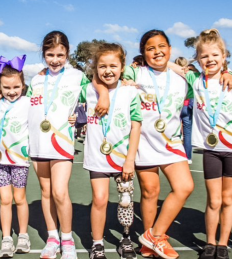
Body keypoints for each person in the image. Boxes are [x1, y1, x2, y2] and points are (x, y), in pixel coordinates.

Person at [26, 31, 108, 259]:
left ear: (67, 54)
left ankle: (67, 239)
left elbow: (94, 86)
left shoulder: (76, 76)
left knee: (60, 192)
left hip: (61, 142)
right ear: (43, 54)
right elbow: (29, 107)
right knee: (46, 192)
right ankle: (52, 238)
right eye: (50, 54)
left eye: (60, 55)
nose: (55, 59)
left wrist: (102, 95)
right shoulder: (35, 79)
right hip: (37, 143)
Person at [171, 29, 232, 259]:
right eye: (204, 56)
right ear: (197, 59)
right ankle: (210, 243)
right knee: (213, 200)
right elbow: (171, 66)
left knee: (228, 199)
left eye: (215, 55)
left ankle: (223, 244)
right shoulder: (196, 80)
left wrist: (230, 73)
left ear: (224, 56)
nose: (210, 60)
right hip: (211, 150)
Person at [123, 30, 194, 259]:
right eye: (150, 48)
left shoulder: (183, 79)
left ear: (170, 49)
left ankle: (155, 235)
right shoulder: (135, 72)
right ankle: (148, 243)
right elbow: (116, 74)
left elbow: (208, 77)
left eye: (162, 46)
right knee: (150, 192)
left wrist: (176, 67)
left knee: (184, 187)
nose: (157, 52)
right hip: (143, 141)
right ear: (143, 53)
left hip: (171, 143)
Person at [80, 43, 142, 259]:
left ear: (122, 66)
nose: (108, 71)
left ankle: (125, 238)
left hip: (123, 158)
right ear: (95, 68)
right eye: (102, 66)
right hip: (97, 157)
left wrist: (130, 160)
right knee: (99, 199)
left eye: (113, 66)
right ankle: (97, 244)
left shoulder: (130, 92)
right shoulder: (87, 89)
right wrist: (102, 91)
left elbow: (136, 125)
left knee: (126, 200)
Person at [0, 55, 31, 258]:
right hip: (0, 160)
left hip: (20, 161)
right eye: (6, 88)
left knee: (19, 198)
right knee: (5, 200)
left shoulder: (29, 104)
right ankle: (6, 238)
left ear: (23, 85)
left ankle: (23, 235)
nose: (11, 92)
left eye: (16, 87)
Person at [174, 57, 194, 164]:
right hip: (187, 105)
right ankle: (188, 157)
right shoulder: (191, 74)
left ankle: (172, 153)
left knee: (173, 130)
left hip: (176, 105)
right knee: (188, 132)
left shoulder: (172, 75)